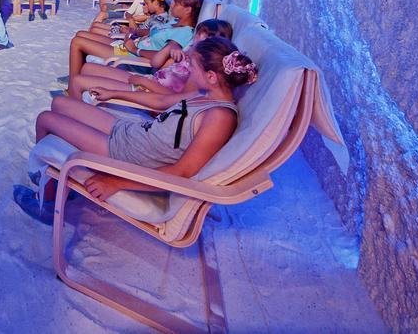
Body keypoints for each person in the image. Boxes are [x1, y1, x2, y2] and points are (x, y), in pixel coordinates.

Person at [13, 37, 257, 223]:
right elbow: (161, 102)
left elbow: (181, 172)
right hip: (135, 132)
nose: (188, 69)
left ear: (212, 76)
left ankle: (46, 200)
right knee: (60, 104)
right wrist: (113, 93)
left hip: (130, 154)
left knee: (45, 119)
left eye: (192, 65)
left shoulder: (219, 117)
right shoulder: (205, 94)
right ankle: (52, 181)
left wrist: (115, 182)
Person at [70, 18, 234, 103]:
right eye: (199, 34)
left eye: (206, 36)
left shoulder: (200, 69)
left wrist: (144, 80)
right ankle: (73, 96)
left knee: (79, 80)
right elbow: (160, 66)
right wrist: (173, 49)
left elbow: (178, 100)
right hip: (150, 80)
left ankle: (74, 107)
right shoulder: (188, 53)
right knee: (87, 69)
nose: (198, 38)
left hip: (149, 90)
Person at [66, 0, 202, 78]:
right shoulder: (174, 22)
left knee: (77, 42)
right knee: (81, 34)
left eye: (176, 4)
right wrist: (133, 31)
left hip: (133, 57)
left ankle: (73, 86)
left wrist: (135, 49)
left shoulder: (184, 33)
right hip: (129, 46)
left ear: (188, 10)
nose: (171, 5)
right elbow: (151, 31)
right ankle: (75, 71)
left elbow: (162, 56)